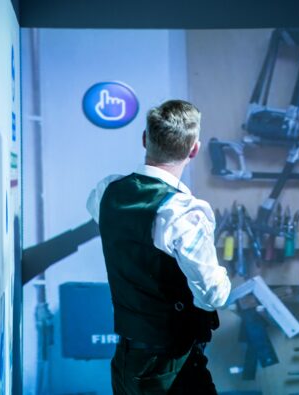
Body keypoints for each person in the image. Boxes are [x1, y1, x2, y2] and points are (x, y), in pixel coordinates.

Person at [87, 100, 232, 395]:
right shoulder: (183, 213)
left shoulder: (106, 192)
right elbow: (212, 295)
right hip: (170, 367)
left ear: (144, 139)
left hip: (127, 361)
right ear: (194, 149)